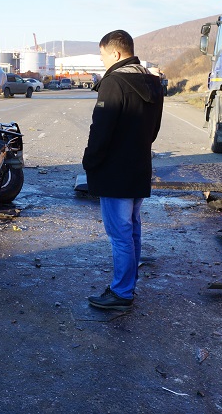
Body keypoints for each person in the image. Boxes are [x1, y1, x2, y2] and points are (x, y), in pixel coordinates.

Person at [83, 30, 163, 311]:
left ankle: (121, 292)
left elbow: (100, 130)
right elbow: (154, 130)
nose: (102, 60)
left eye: (103, 55)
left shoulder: (113, 82)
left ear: (115, 54)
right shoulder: (153, 81)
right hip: (139, 166)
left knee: (120, 234)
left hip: (114, 171)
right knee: (132, 230)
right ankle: (127, 285)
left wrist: (90, 162)